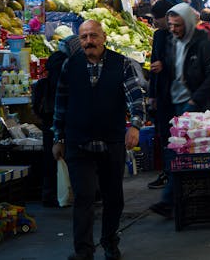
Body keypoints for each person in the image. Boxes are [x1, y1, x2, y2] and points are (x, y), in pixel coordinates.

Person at [52, 20, 144, 260]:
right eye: (83, 37)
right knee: (83, 197)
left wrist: (134, 126)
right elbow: (60, 103)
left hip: (111, 141)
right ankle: (83, 250)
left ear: (103, 37)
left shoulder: (121, 64)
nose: (89, 42)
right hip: (78, 141)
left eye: (93, 36)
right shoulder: (70, 65)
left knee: (113, 197)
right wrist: (58, 137)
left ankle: (110, 242)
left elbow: (135, 97)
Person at [150, 2, 210, 219]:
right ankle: (174, 199)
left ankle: (170, 199)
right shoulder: (172, 43)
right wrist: (163, 68)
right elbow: (176, 69)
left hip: (191, 106)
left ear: (189, 24)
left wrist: (194, 100)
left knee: (182, 153)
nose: (173, 29)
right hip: (172, 104)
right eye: (171, 25)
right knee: (177, 152)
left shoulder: (202, 43)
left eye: (178, 26)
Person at [32, 34, 82, 207]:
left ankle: (50, 194)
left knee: (51, 156)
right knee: (64, 156)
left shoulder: (54, 60)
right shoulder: (68, 64)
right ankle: (65, 193)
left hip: (49, 117)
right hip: (63, 116)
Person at [146, 0, 174, 190]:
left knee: (174, 135)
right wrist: (153, 95)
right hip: (162, 94)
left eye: (158, 18)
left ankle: (172, 172)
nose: (155, 22)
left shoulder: (178, 36)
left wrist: (165, 65)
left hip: (176, 94)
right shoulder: (158, 36)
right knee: (163, 134)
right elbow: (154, 64)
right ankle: (167, 172)